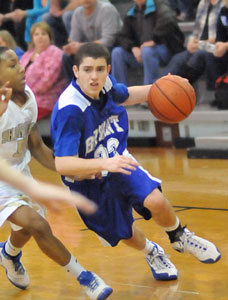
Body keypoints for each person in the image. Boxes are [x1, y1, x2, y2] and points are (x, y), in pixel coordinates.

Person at [51, 42, 221, 296]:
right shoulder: (71, 110)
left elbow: (126, 95)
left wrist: (162, 89)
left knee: (156, 199)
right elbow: (63, 165)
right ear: (76, 71)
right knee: (126, 233)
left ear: (108, 69)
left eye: (100, 69)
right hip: (87, 180)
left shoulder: (105, 85)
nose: (94, 76)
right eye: (87, 70)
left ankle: (179, 236)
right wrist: (104, 164)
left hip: (117, 158)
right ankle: (152, 251)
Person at [0, 46, 113, 300]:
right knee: (38, 224)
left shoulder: (27, 96)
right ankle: (85, 277)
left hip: (19, 173)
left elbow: (37, 146)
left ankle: (8, 254)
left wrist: (77, 168)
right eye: (10, 65)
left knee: (25, 229)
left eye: (18, 62)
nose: (20, 68)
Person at [111, 0, 185, 86]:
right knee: (117, 52)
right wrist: (132, 47)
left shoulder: (159, 4)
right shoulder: (131, 12)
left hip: (165, 50)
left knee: (147, 51)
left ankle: (150, 91)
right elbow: (122, 36)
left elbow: (169, 20)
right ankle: (119, 93)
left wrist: (155, 40)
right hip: (142, 53)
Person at [162, 0, 223, 91]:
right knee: (178, 58)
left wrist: (199, 44)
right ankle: (160, 88)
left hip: (216, 47)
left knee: (198, 56)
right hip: (199, 45)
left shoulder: (223, 5)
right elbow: (196, 31)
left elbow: (219, 37)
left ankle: (177, 89)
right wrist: (191, 42)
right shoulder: (203, 3)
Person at [62, 0, 123, 84]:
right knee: (66, 56)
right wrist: (71, 47)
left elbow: (108, 41)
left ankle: (112, 89)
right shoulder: (77, 13)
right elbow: (75, 40)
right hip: (90, 49)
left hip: (112, 48)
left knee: (112, 53)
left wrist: (81, 46)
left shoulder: (107, 9)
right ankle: (76, 89)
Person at [20, 22, 67, 120]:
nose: (40, 37)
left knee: (15, 118)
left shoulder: (55, 53)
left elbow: (46, 82)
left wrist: (24, 95)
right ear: (32, 38)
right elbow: (17, 74)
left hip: (44, 100)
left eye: (44, 34)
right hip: (24, 98)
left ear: (50, 37)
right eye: (36, 34)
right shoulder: (28, 54)